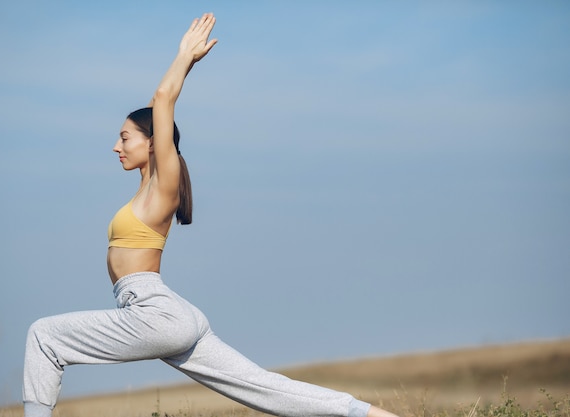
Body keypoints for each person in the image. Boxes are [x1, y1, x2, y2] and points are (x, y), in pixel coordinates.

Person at [22, 13, 399, 417]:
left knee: (44, 335)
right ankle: (366, 414)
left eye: (125, 137)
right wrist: (169, 84)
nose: (116, 146)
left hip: (154, 312)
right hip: (170, 314)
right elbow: (156, 109)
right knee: (263, 387)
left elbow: (162, 101)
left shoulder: (163, 185)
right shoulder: (148, 186)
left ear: (152, 144)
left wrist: (184, 56)